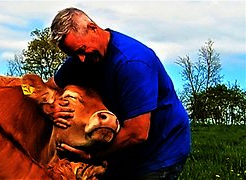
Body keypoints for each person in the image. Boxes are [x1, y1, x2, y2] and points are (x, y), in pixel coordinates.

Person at [47, 7, 191, 179]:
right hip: (121, 149)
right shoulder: (81, 60)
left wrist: (92, 157)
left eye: (81, 50)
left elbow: (137, 133)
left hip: (159, 150)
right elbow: (50, 86)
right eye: (72, 54)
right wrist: (50, 105)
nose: (80, 59)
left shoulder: (132, 62)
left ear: (93, 28)